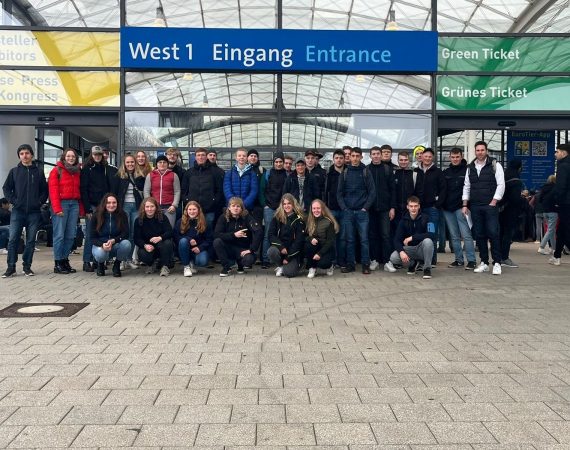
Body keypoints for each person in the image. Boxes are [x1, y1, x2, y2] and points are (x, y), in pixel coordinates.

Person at [2, 144, 48, 278]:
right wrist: (14, 201)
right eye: (21, 154)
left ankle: (27, 267)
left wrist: (39, 202)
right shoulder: (14, 171)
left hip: (34, 212)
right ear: (19, 156)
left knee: (31, 241)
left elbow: (44, 191)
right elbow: (6, 188)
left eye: (27, 153)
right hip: (18, 211)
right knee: (13, 239)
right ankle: (11, 268)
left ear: (31, 155)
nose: (24, 156)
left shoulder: (38, 172)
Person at [462, 140, 505, 275]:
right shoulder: (470, 167)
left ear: (486, 151)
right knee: (479, 234)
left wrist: (494, 201)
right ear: (475, 152)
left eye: (482, 150)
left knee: (493, 233)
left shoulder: (495, 165)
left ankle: (497, 263)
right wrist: (465, 204)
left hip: (490, 205)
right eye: (478, 150)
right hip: (475, 206)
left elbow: (501, 184)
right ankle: (484, 262)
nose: (480, 152)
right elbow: (467, 186)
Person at [337, 147, 376, 274]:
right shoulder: (345, 172)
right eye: (352, 156)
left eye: (357, 156)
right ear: (350, 157)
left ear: (361, 157)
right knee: (350, 240)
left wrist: (365, 208)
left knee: (364, 240)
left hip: (362, 212)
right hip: (348, 212)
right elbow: (339, 193)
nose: (354, 158)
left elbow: (372, 192)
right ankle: (350, 264)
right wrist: (344, 208)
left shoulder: (366, 171)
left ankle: (365, 264)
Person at [48, 148, 83, 274]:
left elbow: (80, 191)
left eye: (73, 156)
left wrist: (81, 209)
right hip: (61, 204)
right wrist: (57, 209)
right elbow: (53, 191)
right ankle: (57, 263)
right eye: (68, 156)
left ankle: (64, 259)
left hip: (74, 204)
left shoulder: (78, 172)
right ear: (64, 157)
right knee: (59, 235)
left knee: (70, 235)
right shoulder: (56, 170)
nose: (71, 158)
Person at [385, 196, 436, 279]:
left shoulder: (427, 218)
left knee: (428, 241)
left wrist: (412, 237)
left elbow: (432, 234)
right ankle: (412, 264)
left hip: (422, 249)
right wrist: (401, 252)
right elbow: (396, 240)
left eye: (415, 206)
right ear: (407, 207)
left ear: (419, 206)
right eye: (411, 206)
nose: (413, 208)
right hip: (410, 250)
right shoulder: (403, 221)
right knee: (393, 257)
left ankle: (427, 268)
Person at [442, 148, 476, 270]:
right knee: (454, 236)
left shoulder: (467, 171)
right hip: (448, 209)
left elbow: (470, 189)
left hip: (462, 208)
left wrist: (466, 206)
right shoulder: (446, 172)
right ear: (449, 158)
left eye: (457, 157)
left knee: (466, 235)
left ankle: (471, 260)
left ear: (461, 157)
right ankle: (459, 260)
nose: (455, 159)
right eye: (453, 157)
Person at [80, 145, 113, 272]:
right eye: (95, 154)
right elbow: (83, 189)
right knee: (90, 233)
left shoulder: (105, 168)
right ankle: (86, 261)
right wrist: (87, 208)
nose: (97, 156)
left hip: (103, 206)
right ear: (91, 155)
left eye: (99, 154)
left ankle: (97, 260)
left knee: (101, 233)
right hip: (92, 206)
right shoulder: (86, 169)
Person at [213, 197, 262, 277]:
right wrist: (233, 235)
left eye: (238, 206)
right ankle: (226, 267)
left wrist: (252, 249)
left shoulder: (247, 217)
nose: (235, 208)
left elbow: (258, 231)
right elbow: (216, 234)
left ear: (242, 208)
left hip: (242, 249)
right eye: (233, 206)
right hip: (228, 248)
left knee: (249, 260)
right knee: (217, 242)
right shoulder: (223, 217)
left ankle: (240, 265)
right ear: (229, 207)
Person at [112, 153, 145, 270]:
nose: (130, 164)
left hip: (136, 207)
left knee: (133, 233)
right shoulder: (118, 176)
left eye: (132, 162)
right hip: (124, 206)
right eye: (128, 162)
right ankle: (121, 260)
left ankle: (129, 259)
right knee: (124, 232)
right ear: (124, 164)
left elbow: (143, 190)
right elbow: (114, 193)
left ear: (135, 163)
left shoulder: (140, 176)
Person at [415, 147, 446, 266]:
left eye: (429, 156)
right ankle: (421, 259)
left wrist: (437, 205)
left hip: (432, 209)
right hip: (419, 209)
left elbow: (443, 189)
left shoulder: (438, 172)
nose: (427, 158)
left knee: (431, 233)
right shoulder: (416, 171)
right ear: (421, 156)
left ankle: (432, 260)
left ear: (432, 158)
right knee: (420, 233)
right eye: (425, 156)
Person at [368, 145, 396, 272]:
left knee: (386, 235)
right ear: (370, 156)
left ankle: (387, 261)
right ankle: (374, 260)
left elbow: (393, 190)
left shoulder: (387, 169)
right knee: (372, 235)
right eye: (373, 154)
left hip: (385, 209)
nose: (376, 156)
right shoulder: (366, 170)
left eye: (377, 154)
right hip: (370, 209)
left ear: (381, 155)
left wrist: (392, 207)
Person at [181, 147, 223, 230]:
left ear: (206, 157)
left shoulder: (215, 172)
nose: (200, 157)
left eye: (203, 155)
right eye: (198, 155)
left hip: (209, 208)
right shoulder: (189, 172)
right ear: (195, 157)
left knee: (208, 230)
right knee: (192, 230)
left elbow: (219, 189)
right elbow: (184, 189)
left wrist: (214, 201)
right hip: (193, 209)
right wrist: (186, 199)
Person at [90, 194, 131, 277]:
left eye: (114, 202)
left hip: (115, 244)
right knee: (101, 254)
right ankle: (101, 264)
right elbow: (92, 238)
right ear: (104, 203)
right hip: (101, 245)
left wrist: (114, 240)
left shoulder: (122, 215)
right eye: (108, 203)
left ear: (117, 203)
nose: (111, 205)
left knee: (126, 244)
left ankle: (117, 265)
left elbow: (126, 233)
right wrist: (102, 244)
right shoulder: (96, 215)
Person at [259, 152, 288, 269]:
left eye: (281, 162)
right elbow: (261, 190)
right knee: (267, 234)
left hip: (283, 208)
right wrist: (264, 205)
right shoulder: (267, 174)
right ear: (273, 162)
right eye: (276, 162)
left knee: (284, 233)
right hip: (270, 208)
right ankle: (265, 259)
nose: (278, 164)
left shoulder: (287, 174)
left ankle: (282, 257)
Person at [267, 194, 306, 278]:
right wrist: (281, 247)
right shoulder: (277, 218)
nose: (286, 206)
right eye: (284, 204)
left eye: (289, 203)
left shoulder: (299, 220)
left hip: (293, 252)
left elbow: (299, 241)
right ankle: (280, 266)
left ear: (293, 204)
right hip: (281, 249)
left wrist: (288, 257)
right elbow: (271, 235)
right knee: (271, 251)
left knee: (289, 273)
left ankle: (297, 264)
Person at [134, 197, 174, 277]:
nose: (150, 209)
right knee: (142, 254)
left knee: (168, 243)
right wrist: (145, 245)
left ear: (156, 207)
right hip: (148, 247)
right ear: (143, 208)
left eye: (152, 206)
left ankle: (164, 266)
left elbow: (169, 232)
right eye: (147, 207)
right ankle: (151, 265)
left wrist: (160, 237)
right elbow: (136, 238)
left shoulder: (162, 217)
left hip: (161, 244)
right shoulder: (138, 220)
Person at [174, 201, 213, 277]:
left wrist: (200, 248)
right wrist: (189, 239)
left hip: (198, 249)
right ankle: (186, 267)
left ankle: (191, 263)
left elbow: (209, 239)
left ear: (198, 210)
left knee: (202, 261)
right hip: (184, 249)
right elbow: (176, 236)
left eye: (194, 209)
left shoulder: (205, 222)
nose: (192, 212)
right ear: (186, 210)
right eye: (190, 209)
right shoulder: (180, 221)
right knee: (183, 241)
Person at [499, 159, 525, 268]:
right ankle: (504, 258)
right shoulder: (516, 180)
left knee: (500, 233)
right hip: (511, 211)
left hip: (500, 210)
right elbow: (515, 199)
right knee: (508, 234)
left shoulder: (504, 177)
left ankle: (498, 257)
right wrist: (522, 199)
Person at [144, 154, 181, 228]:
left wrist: (174, 205)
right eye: (160, 162)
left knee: (169, 228)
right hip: (155, 207)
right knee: (155, 228)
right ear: (156, 164)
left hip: (169, 208)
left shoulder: (173, 175)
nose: (162, 164)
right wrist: (150, 204)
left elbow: (177, 191)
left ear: (167, 164)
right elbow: (146, 191)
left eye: (164, 162)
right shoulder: (150, 175)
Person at [305, 199, 338, 278]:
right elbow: (304, 235)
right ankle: (312, 268)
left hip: (326, 249)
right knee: (308, 245)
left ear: (322, 209)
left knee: (322, 264)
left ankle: (330, 266)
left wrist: (320, 254)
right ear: (311, 209)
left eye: (318, 208)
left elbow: (330, 241)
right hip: (314, 246)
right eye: (314, 208)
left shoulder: (328, 222)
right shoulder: (309, 220)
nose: (316, 210)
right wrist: (310, 239)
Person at [324, 149, 346, 267]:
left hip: (345, 210)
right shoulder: (329, 174)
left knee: (343, 237)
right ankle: (333, 260)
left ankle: (341, 260)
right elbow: (325, 192)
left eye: (341, 158)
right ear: (333, 159)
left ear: (344, 159)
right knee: (332, 237)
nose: (339, 160)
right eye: (336, 158)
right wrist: (325, 208)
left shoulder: (347, 172)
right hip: (331, 210)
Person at [551, 143, 570, 266]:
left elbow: (561, 186)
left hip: (565, 202)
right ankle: (556, 255)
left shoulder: (563, 166)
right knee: (562, 229)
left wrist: (557, 200)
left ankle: (557, 256)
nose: (555, 154)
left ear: (564, 153)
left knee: (566, 229)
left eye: (557, 151)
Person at [394, 151, 421, 224]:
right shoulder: (394, 173)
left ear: (409, 161)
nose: (403, 162)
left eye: (405, 160)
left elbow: (418, 192)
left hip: (411, 209)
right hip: (396, 210)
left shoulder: (414, 174)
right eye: (401, 160)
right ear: (398, 161)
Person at [538, 175, 557, 255]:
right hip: (553, 210)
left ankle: (554, 248)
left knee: (552, 230)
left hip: (545, 211)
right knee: (550, 230)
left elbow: (539, 199)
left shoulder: (543, 188)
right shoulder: (556, 188)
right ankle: (541, 247)